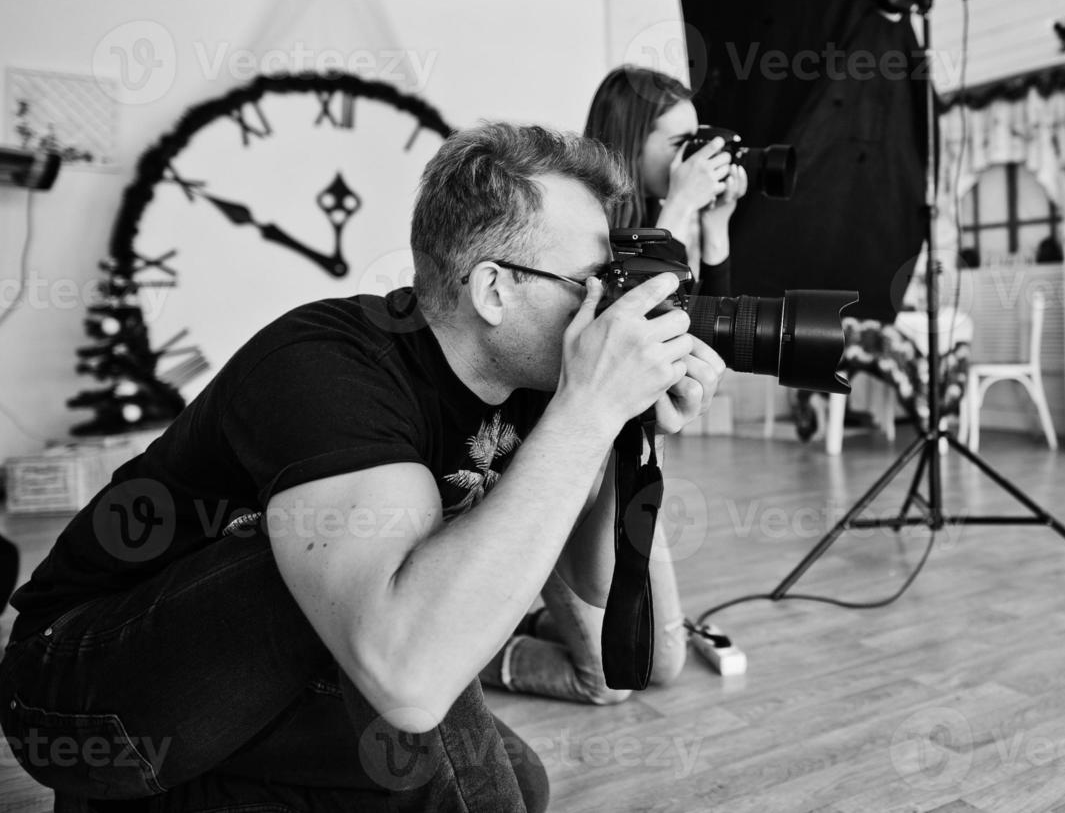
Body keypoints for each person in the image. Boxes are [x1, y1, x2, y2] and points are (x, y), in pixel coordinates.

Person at [0, 122, 723, 812]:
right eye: (593, 281)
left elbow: (594, 595)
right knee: (413, 670)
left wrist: (618, 431)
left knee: (519, 781)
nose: (612, 307)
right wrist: (587, 413)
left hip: (261, 690)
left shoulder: (543, 387)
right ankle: (131, 787)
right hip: (81, 696)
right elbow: (408, 668)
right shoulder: (327, 364)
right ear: (493, 290)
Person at [583, 65, 748, 296]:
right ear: (632, 145)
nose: (693, 157)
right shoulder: (583, 226)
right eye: (680, 143)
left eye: (694, 142)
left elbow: (707, 323)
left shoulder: (655, 221)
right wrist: (680, 205)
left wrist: (715, 226)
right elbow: (635, 313)